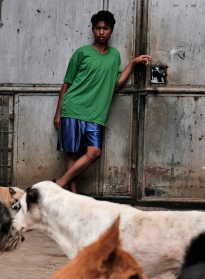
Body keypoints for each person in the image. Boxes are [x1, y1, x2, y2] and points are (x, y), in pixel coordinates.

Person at [53, 10, 151, 193]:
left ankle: (59, 183)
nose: (101, 32)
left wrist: (133, 63)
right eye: (97, 28)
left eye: (105, 28)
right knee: (73, 153)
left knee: (94, 152)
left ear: (111, 30)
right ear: (93, 30)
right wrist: (58, 112)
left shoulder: (114, 55)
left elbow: (116, 85)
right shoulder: (81, 53)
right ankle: (73, 196)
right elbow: (67, 83)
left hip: (97, 113)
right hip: (73, 108)